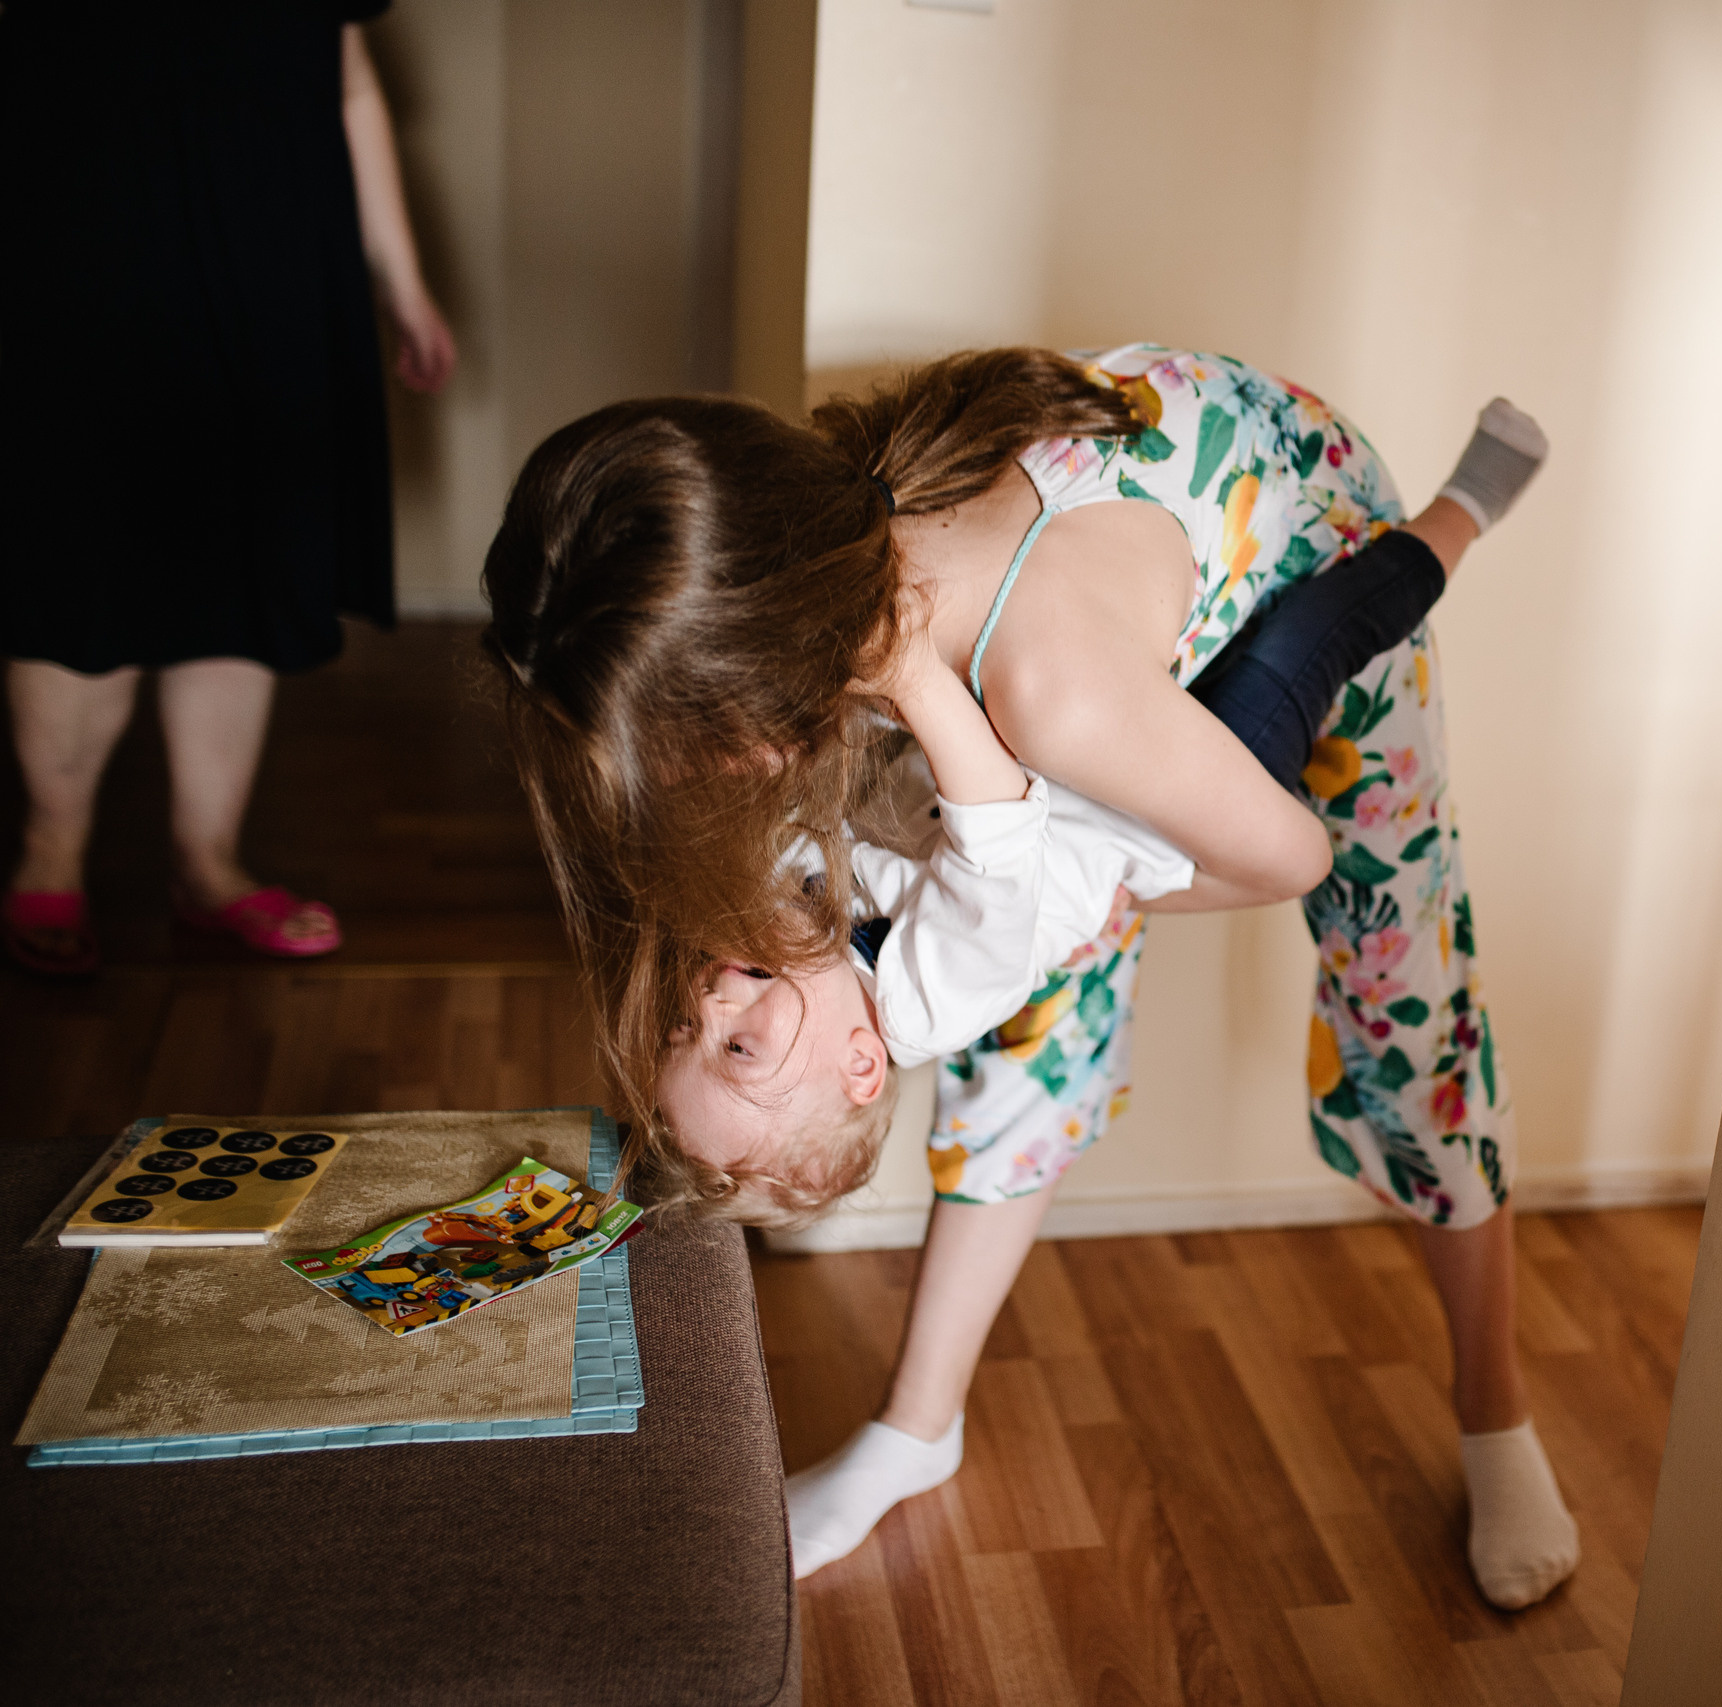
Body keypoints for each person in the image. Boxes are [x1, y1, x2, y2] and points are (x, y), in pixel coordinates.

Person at [483, 346, 1575, 1608]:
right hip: (1056, 747)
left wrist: (1129, 879)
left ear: (772, 704)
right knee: (1027, 997)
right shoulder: (820, 568)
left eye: (692, 758)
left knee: (1407, 994)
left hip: (1304, 539)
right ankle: (918, 1428)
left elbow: (1295, 853)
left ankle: (1497, 1410)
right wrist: (1080, 886)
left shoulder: (1048, 698)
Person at [656, 519, 1459, 1210]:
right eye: (737, 1048)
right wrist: (910, 675)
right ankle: (1453, 522)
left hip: (1107, 750)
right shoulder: (934, 1001)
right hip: (1166, 815)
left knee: (1237, 604)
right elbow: (995, 830)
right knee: (1312, 634)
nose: (717, 997)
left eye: (688, 1027)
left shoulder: (803, 937)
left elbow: (794, 816)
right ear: (861, 1064)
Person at [1, 6, 454, 974]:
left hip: (274, 268)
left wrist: (403, 283)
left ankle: (208, 864)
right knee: (83, 568)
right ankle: (52, 852)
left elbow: (352, 85)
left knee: (242, 571)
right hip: (76, 260)